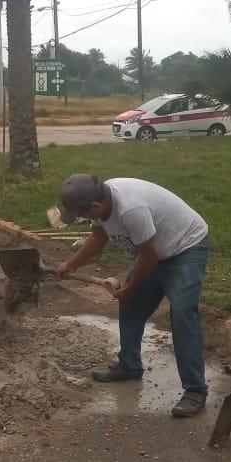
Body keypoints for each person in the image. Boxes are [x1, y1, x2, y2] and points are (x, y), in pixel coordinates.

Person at [55, 174, 211, 418]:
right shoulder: (101, 202)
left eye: (81, 214)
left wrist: (130, 288)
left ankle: (195, 390)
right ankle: (129, 365)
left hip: (185, 247)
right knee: (130, 306)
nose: (81, 219)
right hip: (155, 249)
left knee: (182, 312)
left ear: (95, 207)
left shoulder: (131, 209)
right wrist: (71, 264)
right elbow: (98, 238)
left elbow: (150, 256)